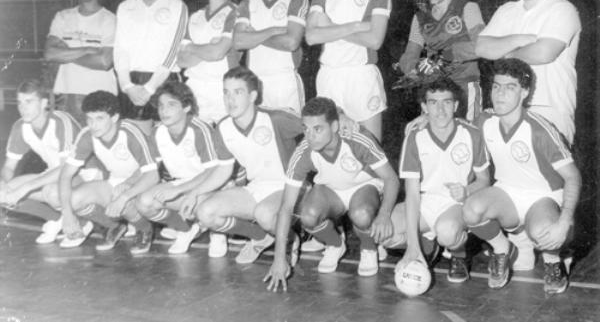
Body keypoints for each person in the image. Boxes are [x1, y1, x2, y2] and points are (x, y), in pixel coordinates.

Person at [462, 59, 580, 294]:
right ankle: (503, 249)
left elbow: (573, 177)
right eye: (496, 86)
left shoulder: (539, 129)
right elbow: (457, 130)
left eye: (510, 87)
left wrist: (564, 220)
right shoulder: (485, 121)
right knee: (471, 210)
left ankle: (553, 262)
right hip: (508, 193)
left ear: (524, 92)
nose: (500, 94)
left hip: (544, 196)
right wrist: (427, 120)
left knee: (544, 232)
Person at [265, 97, 400, 292]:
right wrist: (279, 259)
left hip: (363, 187)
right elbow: (286, 207)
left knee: (361, 215)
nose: (310, 136)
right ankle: (336, 244)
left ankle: (369, 247)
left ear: (335, 126)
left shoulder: (356, 138)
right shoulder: (304, 151)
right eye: (306, 128)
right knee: (307, 216)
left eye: (317, 129)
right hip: (331, 191)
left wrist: (385, 214)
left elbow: (391, 179)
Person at [384, 78, 489, 284]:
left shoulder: (471, 134)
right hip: (425, 202)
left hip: (456, 204)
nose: (440, 110)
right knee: (385, 233)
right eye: (433, 103)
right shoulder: (415, 137)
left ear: (456, 105)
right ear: (424, 107)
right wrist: (412, 246)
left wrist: (467, 190)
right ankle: (425, 246)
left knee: (447, 233)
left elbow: (485, 180)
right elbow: (413, 194)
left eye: (447, 102)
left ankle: (459, 255)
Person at [194, 66, 303, 264]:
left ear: (253, 96)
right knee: (205, 211)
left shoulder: (275, 118)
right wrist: (194, 194)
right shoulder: (224, 127)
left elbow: (315, 123)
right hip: (258, 188)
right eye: (226, 93)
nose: (230, 100)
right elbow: (224, 170)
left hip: (290, 188)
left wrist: (339, 115)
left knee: (264, 214)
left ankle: (290, 241)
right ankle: (260, 237)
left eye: (238, 92)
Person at [476, 0, 580, 145]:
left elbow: (543, 53)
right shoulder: (507, 10)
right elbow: (482, 47)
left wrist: (504, 53)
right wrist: (519, 39)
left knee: (550, 176)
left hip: (549, 108)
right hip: (510, 108)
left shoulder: (562, 10)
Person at [305, 0, 391, 141]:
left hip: (361, 75)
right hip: (329, 75)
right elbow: (312, 36)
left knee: (371, 152)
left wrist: (330, 26)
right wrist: (355, 25)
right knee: (330, 153)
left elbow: (374, 40)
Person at [135, 82, 233, 255]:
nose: (164, 111)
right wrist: (127, 188)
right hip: (182, 183)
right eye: (161, 106)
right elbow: (148, 169)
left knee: (207, 211)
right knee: (144, 202)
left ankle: (217, 233)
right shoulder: (157, 132)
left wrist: (179, 190)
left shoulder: (200, 129)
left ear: (186, 107)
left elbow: (213, 171)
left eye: (171, 105)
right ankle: (186, 228)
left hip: (213, 185)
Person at [58, 91, 159, 254]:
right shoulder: (87, 135)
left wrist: (125, 195)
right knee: (74, 199)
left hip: (142, 183)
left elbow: (153, 175)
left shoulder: (130, 132)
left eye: (99, 118)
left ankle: (144, 228)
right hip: (115, 182)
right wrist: (67, 214)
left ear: (114, 117)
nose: (93, 125)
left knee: (121, 195)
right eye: (89, 119)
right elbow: (65, 176)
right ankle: (114, 227)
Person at [0, 79, 90, 244]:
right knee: (3, 192)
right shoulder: (21, 126)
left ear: (44, 103)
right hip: (55, 175)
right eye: (19, 102)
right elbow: (8, 166)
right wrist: (4, 183)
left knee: (51, 192)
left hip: (85, 174)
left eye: (29, 101)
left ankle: (81, 223)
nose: (22, 108)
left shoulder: (61, 122)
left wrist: (26, 187)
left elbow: (66, 169)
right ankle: (57, 219)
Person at [398, 0, 485, 120]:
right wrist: (415, 68)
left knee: (469, 138)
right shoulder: (419, 18)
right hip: (434, 91)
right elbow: (409, 54)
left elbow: (482, 45)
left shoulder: (468, 8)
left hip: (465, 87)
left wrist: (446, 55)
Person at [113, 0, 188, 134]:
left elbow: (174, 52)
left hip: (164, 81)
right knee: (137, 146)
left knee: (166, 147)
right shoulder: (125, 7)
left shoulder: (177, 5)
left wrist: (150, 88)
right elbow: (120, 49)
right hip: (132, 84)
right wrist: (127, 86)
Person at [232, 0, 308, 113]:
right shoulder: (248, 2)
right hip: (254, 84)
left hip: (285, 83)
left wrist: (254, 36)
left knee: (290, 138)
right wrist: (272, 31)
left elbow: (291, 43)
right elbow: (238, 42)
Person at [44, 0, 117, 125]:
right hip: (66, 95)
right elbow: (50, 54)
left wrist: (66, 53)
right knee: (67, 146)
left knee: (98, 148)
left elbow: (104, 62)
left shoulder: (110, 20)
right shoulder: (63, 17)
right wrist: (86, 50)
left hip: (101, 96)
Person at [178, 0, 239, 124]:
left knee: (225, 142)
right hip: (195, 87)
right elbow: (181, 60)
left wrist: (192, 48)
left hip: (222, 87)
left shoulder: (235, 13)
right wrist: (207, 49)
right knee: (195, 142)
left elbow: (218, 53)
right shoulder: (195, 16)